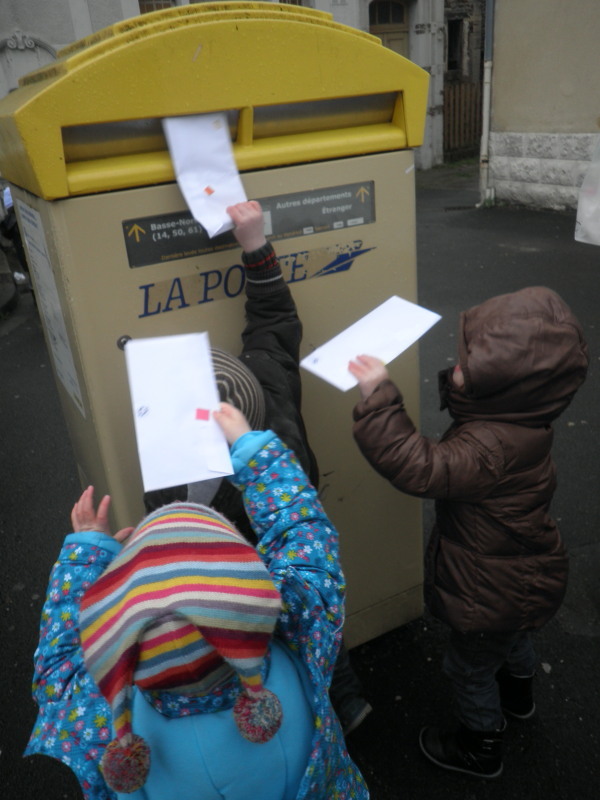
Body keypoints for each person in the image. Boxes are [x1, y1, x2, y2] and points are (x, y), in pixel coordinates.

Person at [24, 403, 370, 800]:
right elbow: (304, 538)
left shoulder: (100, 713)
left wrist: (85, 554)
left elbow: (58, 668)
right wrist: (256, 455)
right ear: (251, 595)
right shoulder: (297, 634)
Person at [145, 200, 370, 736]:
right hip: (289, 567)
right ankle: (348, 698)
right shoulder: (269, 390)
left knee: (272, 646)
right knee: (313, 621)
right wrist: (255, 244)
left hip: (240, 605)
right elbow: (273, 320)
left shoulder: (173, 485)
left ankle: (284, 719)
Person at [348, 286, 589, 779]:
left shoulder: (489, 445)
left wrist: (380, 399)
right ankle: (518, 696)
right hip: (520, 574)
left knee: (469, 667)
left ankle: (480, 744)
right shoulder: (525, 419)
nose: (456, 368)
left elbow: (421, 466)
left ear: (505, 387)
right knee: (513, 636)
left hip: (490, 587)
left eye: (469, 366)